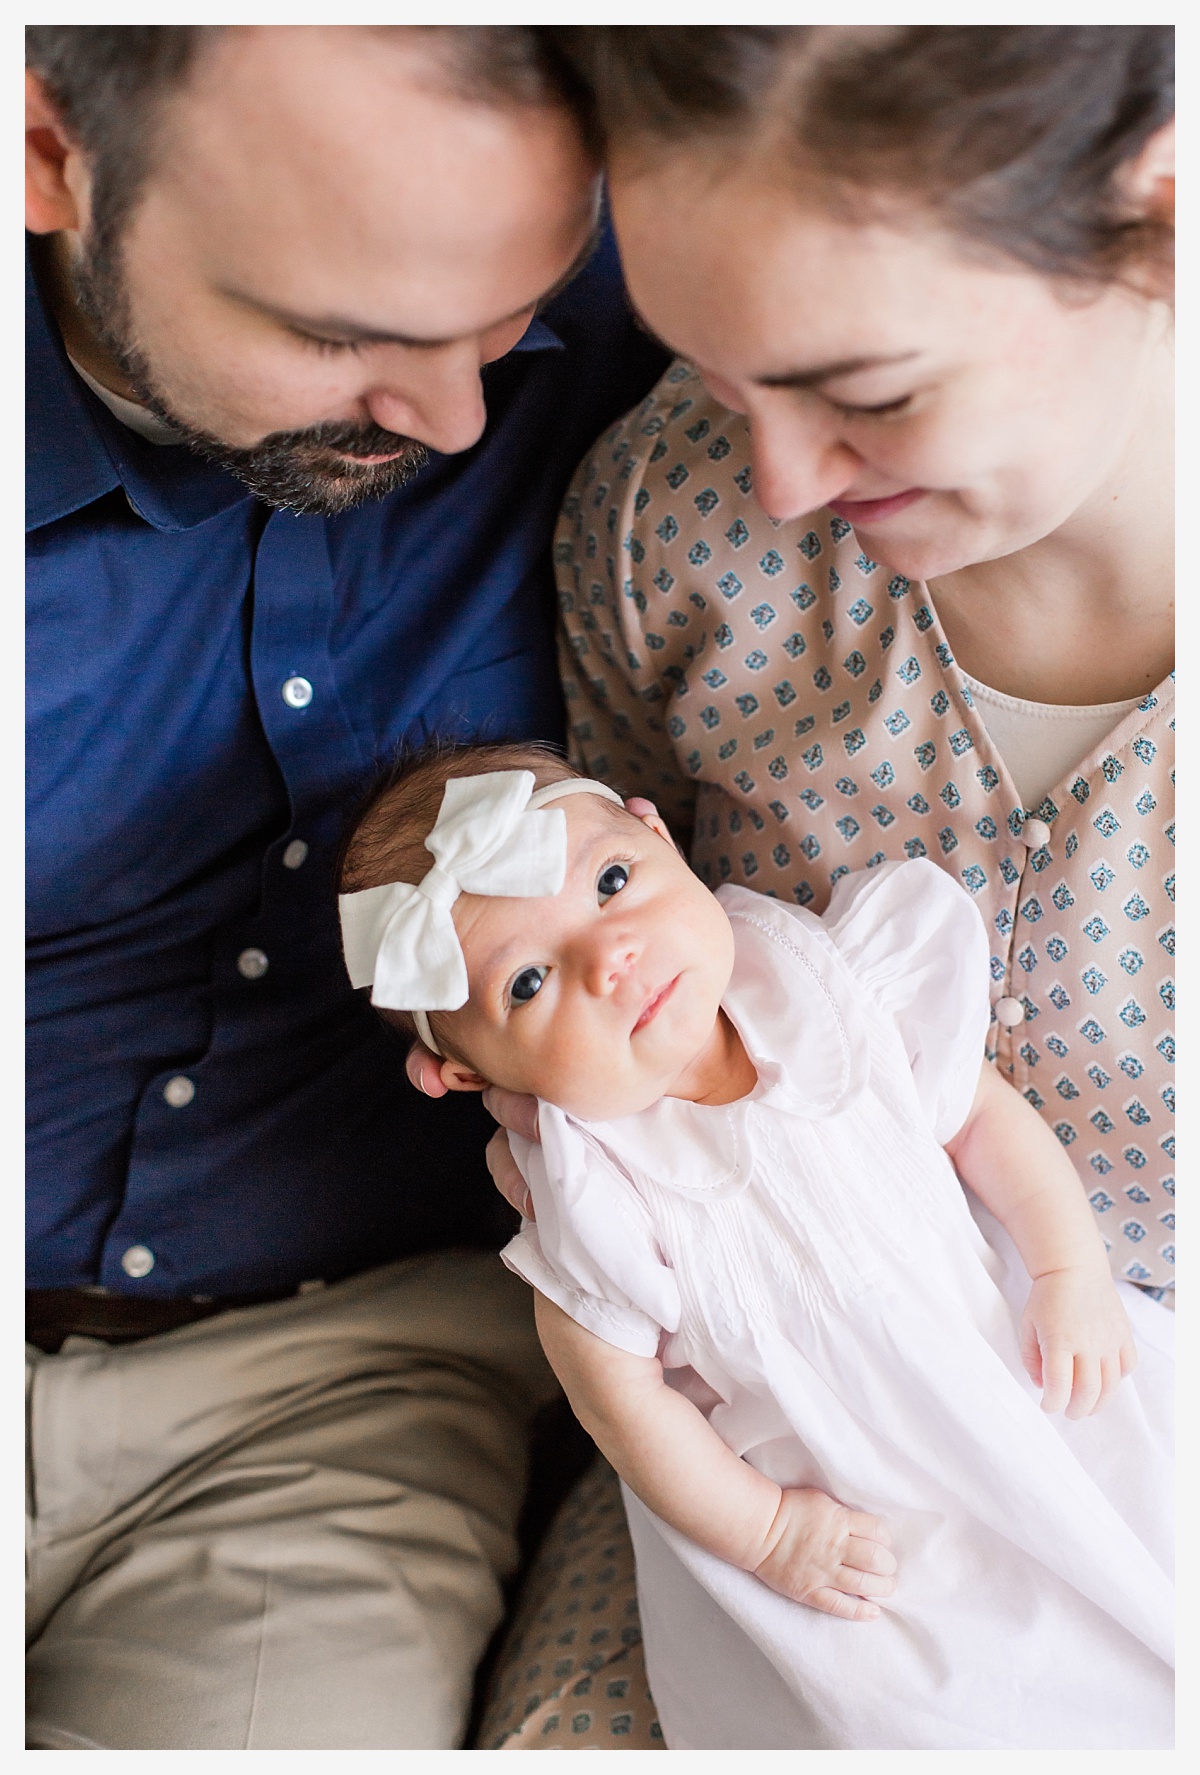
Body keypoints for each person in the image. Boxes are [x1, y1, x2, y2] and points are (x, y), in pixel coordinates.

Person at [404, 24, 1173, 1749]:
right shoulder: (670, 526)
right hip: (779, 1470)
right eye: (718, 375)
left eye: (865, 388)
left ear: (1160, 217)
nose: (781, 483)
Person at [25, 24, 666, 1751]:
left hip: (346, 1385)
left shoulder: (664, 311)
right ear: (46, 153)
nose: (458, 416)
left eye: (506, 321)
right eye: (343, 336)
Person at [339, 742, 1172, 1749]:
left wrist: (1066, 1268)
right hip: (841, 1494)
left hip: (1005, 1361)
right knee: (938, 1710)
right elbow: (623, 1405)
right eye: (527, 981)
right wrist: (771, 1532)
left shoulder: (831, 984)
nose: (611, 958)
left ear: (655, 832)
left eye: (611, 882)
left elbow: (980, 1118)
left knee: (1158, 1527)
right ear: (468, 1076)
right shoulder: (594, 1199)